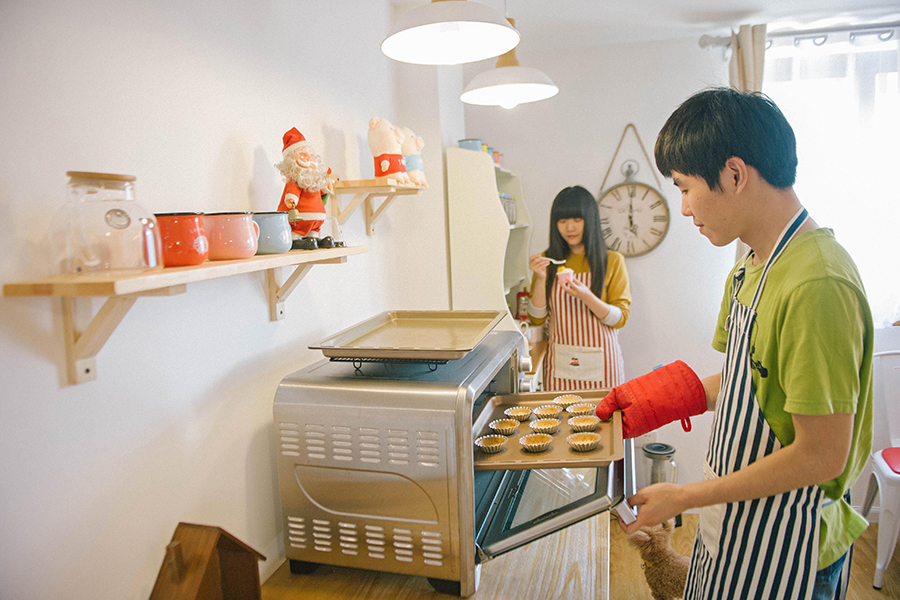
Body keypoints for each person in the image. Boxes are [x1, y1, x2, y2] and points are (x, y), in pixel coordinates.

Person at [596, 88, 874, 600]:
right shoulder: (752, 265)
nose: (683, 209)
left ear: (734, 174)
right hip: (737, 527)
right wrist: (651, 401)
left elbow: (822, 456)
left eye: (684, 188)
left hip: (793, 545)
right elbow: (747, 381)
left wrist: (685, 496)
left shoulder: (817, 284)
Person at [527, 185, 632, 391]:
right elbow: (536, 318)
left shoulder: (612, 260)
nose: (570, 228)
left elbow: (620, 319)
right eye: (563, 221)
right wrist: (540, 278)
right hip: (561, 364)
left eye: (577, 220)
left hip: (603, 365)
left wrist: (587, 297)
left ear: (590, 220)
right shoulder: (548, 261)